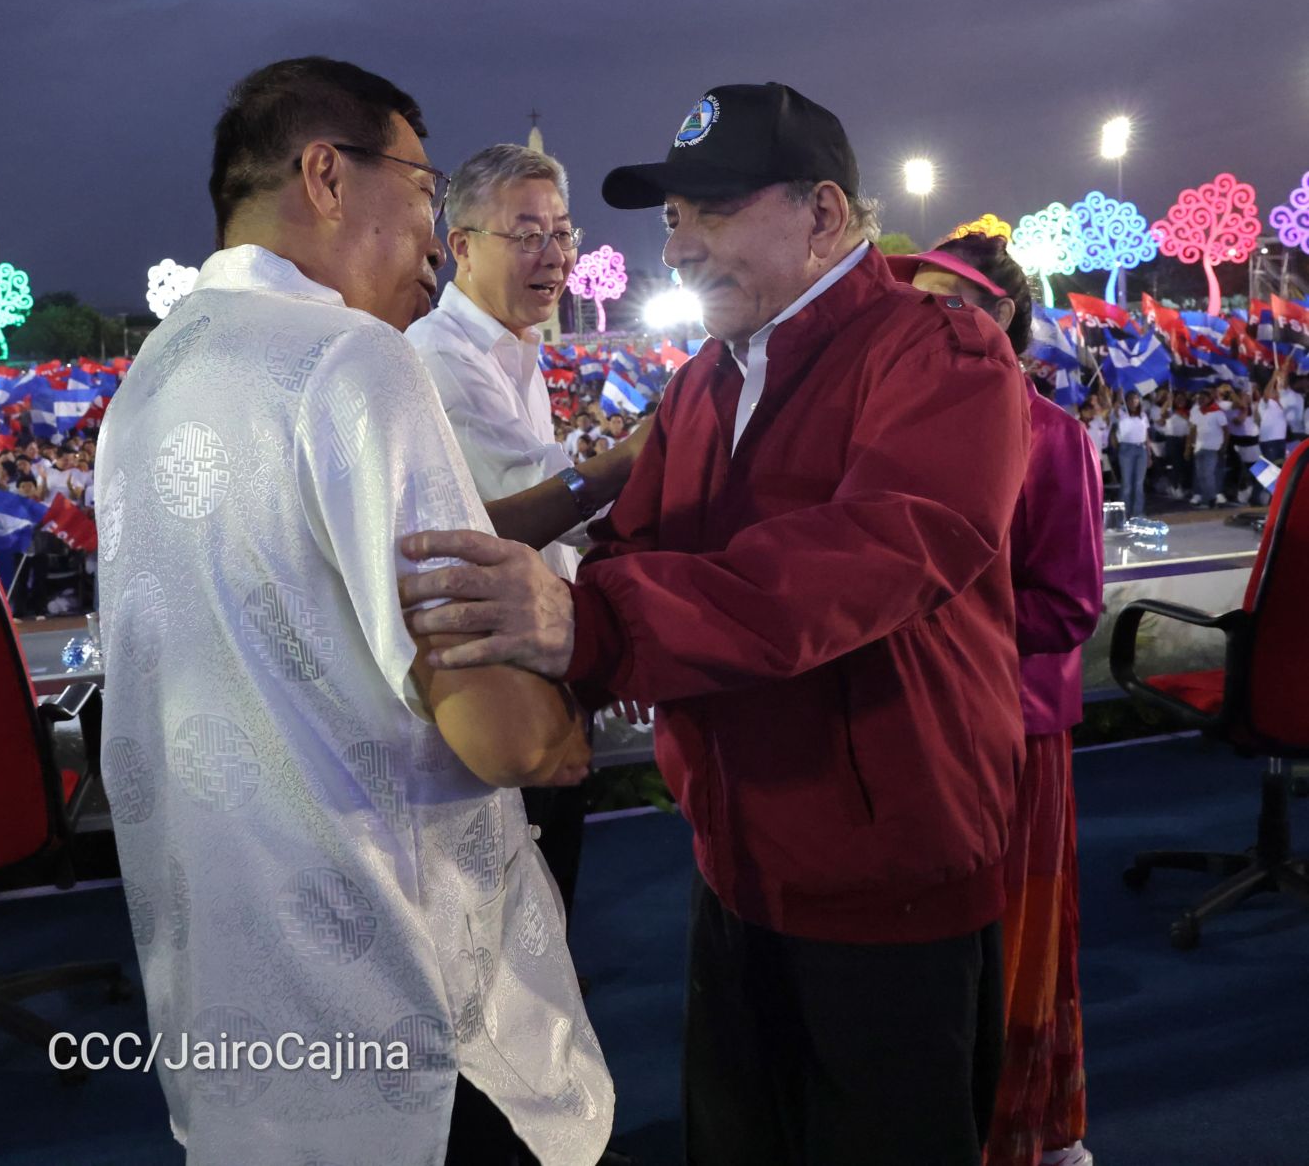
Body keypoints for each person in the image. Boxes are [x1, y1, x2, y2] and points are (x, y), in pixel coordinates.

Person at [400, 81, 1031, 1165]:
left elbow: (854, 564)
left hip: (890, 878)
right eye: (673, 217)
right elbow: (638, 553)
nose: (680, 245)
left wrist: (586, 627)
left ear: (825, 214)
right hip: (735, 864)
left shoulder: (942, 356)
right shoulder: (701, 383)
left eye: (714, 209)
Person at [96, 56, 612, 1166]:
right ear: (327, 175)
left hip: (233, 1019)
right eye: (426, 192)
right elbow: (500, 727)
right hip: (402, 1014)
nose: (434, 237)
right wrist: (567, 724)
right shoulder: (353, 359)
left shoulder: (144, 383)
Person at [889, 233, 1103, 1166]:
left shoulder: (1053, 437)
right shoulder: (904, 424)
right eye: (917, 298)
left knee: (1016, 941)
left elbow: (1071, 605)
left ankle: (1019, 1131)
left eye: (943, 298)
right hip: (927, 724)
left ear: (1001, 317)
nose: (922, 316)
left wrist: (947, 633)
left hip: (1012, 726)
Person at [408, 142, 647, 920]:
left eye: (564, 233)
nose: (554, 255)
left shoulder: (516, 350)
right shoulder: (437, 360)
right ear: (462, 246)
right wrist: (625, 462)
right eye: (529, 235)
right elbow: (508, 514)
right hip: (486, 676)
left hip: (535, 647)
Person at [1111, 390, 1152, 520]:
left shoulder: (1143, 415)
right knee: (1127, 483)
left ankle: (1137, 512)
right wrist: (1118, 396)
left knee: (1139, 483)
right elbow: (1115, 410)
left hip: (1141, 449)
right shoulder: (1122, 414)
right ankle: (1122, 514)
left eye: (1136, 399)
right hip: (1126, 449)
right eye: (1130, 399)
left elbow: (1146, 435)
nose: (1134, 401)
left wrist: (1149, 454)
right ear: (1126, 401)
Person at [1187, 389, 1228, 506]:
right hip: (1199, 447)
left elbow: (1226, 431)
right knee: (1200, 475)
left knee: (1208, 474)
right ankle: (1207, 498)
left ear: (1209, 399)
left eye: (1203, 398)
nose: (1200, 400)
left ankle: (1210, 499)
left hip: (1213, 448)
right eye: (1199, 398)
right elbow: (1193, 429)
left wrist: (1224, 446)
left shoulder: (1218, 413)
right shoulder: (1196, 412)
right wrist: (1190, 446)